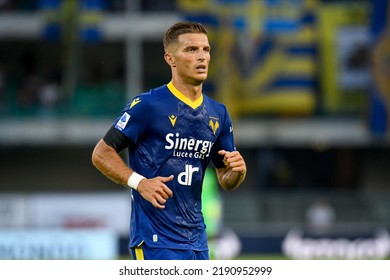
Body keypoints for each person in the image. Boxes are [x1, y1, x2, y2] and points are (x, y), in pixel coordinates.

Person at [91, 21, 247, 260]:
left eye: (206, 49)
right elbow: (101, 153)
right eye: (191, 50)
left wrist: (237, 172)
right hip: (155, 240)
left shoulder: (219, 113)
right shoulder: (148, 105)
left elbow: (226, 179)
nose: (202, 56)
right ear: (170, 58)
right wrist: (140, 183)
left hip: (197, 241)